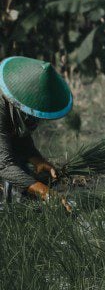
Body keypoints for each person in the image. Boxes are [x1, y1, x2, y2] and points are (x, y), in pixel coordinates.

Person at [0, 56, 73, 211]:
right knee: (13, 180)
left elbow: (20, 136)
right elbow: (4, 165)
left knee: (23, 183)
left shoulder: (13, 106)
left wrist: (38, 160)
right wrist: (46, 192)